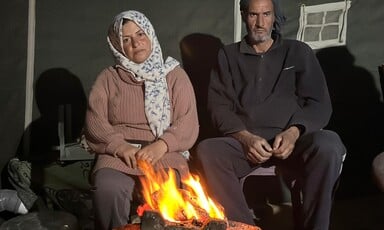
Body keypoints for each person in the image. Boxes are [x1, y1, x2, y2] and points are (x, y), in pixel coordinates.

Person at [195, 0, 346, 229]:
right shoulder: (227, 55)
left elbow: (319, 103)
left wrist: (294, 132)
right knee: (208, 150)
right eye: (254, 15)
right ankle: (244, 227)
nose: (260, 23)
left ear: (275, 16)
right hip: (248, 144)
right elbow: (219, 106)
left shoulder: (297, 51)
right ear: (244, 15)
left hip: (294, 141)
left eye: (266, 14)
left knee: (329, 144)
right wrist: (245, 138)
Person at [84, 10, 199, 229]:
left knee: (167, 194)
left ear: (150, 35)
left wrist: (162, 145)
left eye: (140, 34)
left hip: (163, 153)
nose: (136, 43)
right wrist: (120, 147)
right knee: (108, 188)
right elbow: (94, 121)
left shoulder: (174, 75)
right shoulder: (108, 77)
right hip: (119, 155)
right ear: (118, 46)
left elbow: (188, 121)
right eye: (126, 40)